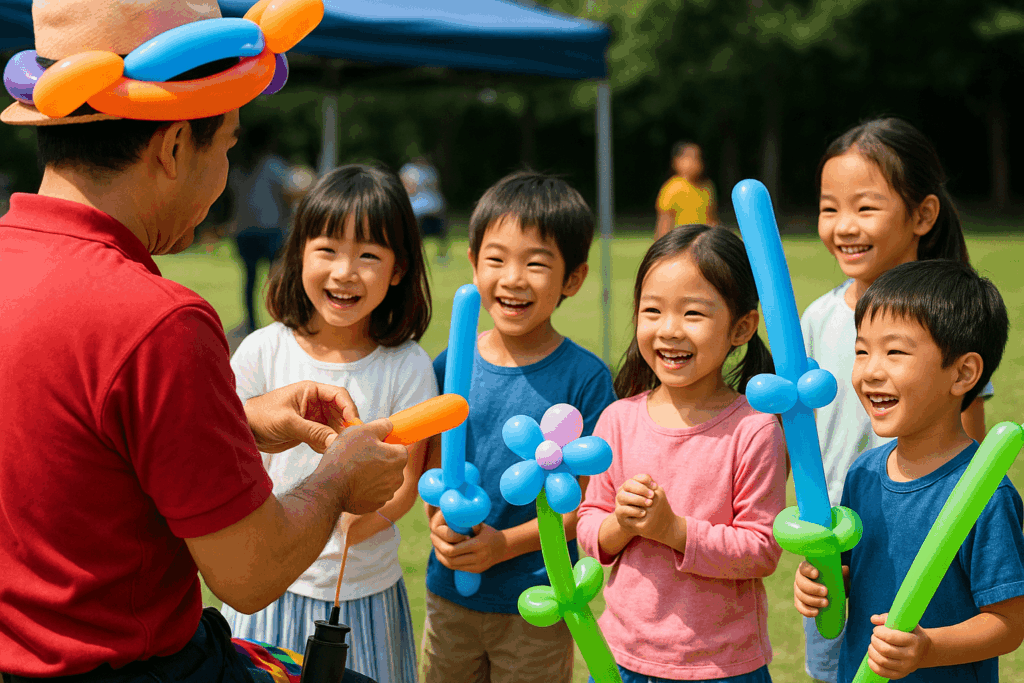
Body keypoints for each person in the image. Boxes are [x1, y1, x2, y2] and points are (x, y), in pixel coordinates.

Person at [0, 2, 406, 682]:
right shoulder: (158, 319)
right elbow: (248, 573)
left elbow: (62, 442)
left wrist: (235, 423)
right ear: (175, 145)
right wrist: (338, 480)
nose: (224, 175)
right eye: (227, 145)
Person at [799, 117, 995, 682]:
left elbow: (972, 445)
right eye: (829, 207)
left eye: (865, 207)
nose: (843, 226)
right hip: (835, 546)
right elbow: (799, 435)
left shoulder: (950, 321)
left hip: (920, 542)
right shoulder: (817, 317)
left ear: (923, 215)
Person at [222, 164, 434, 683]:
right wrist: (295, 530)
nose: (345, 271)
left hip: (364, 596)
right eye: (327, 250)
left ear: (399, 269)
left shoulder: (407, 366)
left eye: (368, 255)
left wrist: (350, 525)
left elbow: (404, 487)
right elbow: (230, 460)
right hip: (266, 589)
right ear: (298, 256)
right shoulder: (261, 350)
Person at [422, 171, 618, 683]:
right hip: (450, 595)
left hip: (539, 601)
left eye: (536, 263)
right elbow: (429, 466)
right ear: (472, 262)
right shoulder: (449, 364)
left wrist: (502, 546)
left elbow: (591, 503)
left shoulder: (585, 380)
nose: (512, 278)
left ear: (572, 279)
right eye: (496, 259)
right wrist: (438, 524)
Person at [793, 260, 1024, 683]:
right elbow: (844, 578)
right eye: (861, 350)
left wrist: (929, 649)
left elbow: (1010, 623)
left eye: (895, 352)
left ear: (963, 373)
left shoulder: (985, 493)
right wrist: (817, 583)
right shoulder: (862, 474)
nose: (870, 371)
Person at [577, 225, 787, 683]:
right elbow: (589, 527)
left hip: (722, 666)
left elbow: (762, 549)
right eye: (652, 310)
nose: (669, 330)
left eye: (693, 313)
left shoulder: (753, 428)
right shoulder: (618, 420)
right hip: (622, 659)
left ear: (741, 327)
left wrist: (673, 530)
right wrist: (620, 524)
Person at [230, 122, 294, 335]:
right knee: (277, 277)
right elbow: (289, 191)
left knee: (250, 280)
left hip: (244, 230)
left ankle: (250, 322)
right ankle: (284, 320)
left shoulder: (238, 166)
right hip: (271, 229)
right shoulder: (273, 165)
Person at [654, 141, 717, 239]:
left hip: (705, 241)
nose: (695, 162)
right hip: (681, 241)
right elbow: (664, 223)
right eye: (689, 158)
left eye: (698, 158)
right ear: (676, 161)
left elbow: (712, 219)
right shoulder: (672, 187)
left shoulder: (707, 186)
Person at [400, 156, 448, 264]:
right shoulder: (408, 170)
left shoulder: (430, 170)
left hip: (434, 206)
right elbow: (407, 188)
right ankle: (416, 256)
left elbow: (436, 187)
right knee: (417, 235)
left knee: (440, 234)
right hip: (417, 208)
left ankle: (442, 256)